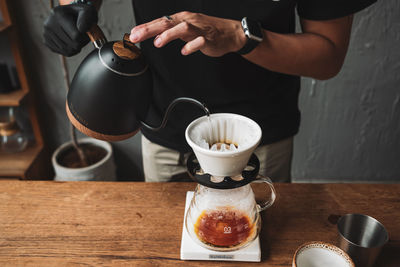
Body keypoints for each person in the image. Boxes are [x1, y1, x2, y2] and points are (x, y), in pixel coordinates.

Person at [43, 0, 376, 182]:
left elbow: (328, 56)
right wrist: (76, 6)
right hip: (162, 127)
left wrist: (240, 37)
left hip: (260, 140)